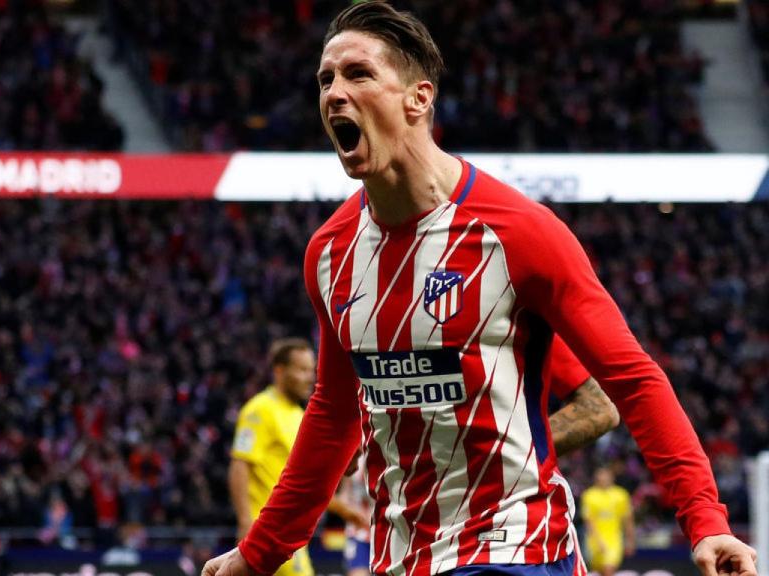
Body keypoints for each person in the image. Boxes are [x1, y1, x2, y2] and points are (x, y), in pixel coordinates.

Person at [202, 2, 757, 576]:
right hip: (400, 557)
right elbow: (335, 413)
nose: (334, 93)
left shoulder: (519, 233)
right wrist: (259, 551)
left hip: (516, 549)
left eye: (358, 74)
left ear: (419, 98)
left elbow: (632, 383)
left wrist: (706, 520)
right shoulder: (329, 253)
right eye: (325, 79)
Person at [339, 337, 619, 576]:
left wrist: (480, 454)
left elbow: (597, 409)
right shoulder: (367, 316)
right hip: (406, 540)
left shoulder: (506, 306)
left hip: (508, 533)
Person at [230, 338, 368, 576]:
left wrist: (344, 510)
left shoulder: (299, 415)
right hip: (266, 532)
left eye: (311, 370)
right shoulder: (259, 409)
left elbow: (308, 481)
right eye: (302, 369)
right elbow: (239, 466)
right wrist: (245, 522)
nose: (309, 378)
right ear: (279, 371)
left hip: (289, 534)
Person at [581, 468, 636, 576]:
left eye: (606, 475)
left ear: (612, 477)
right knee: (598, 571)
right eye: (600, 476)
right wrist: (597, 541)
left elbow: (628, 520)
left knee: (608, 569)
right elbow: (588, 522)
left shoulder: (621, 495)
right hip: (594, 541)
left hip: (614, 540)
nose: (603, 478)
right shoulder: (589, 495)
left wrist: (630, 541)